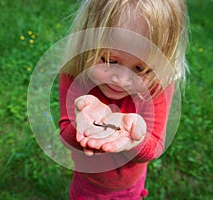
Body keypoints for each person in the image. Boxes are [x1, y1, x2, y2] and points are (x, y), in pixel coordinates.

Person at [58, 0, 188, 199]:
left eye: (140, 69)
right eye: (109, 60)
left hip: (130, 186)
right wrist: (81, 126)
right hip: (87, 181)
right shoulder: (74, 75)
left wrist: (135, 137)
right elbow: (66, 131)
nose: (122, 79)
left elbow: (154, 146)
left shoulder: (157, 84)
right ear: (86, 42)